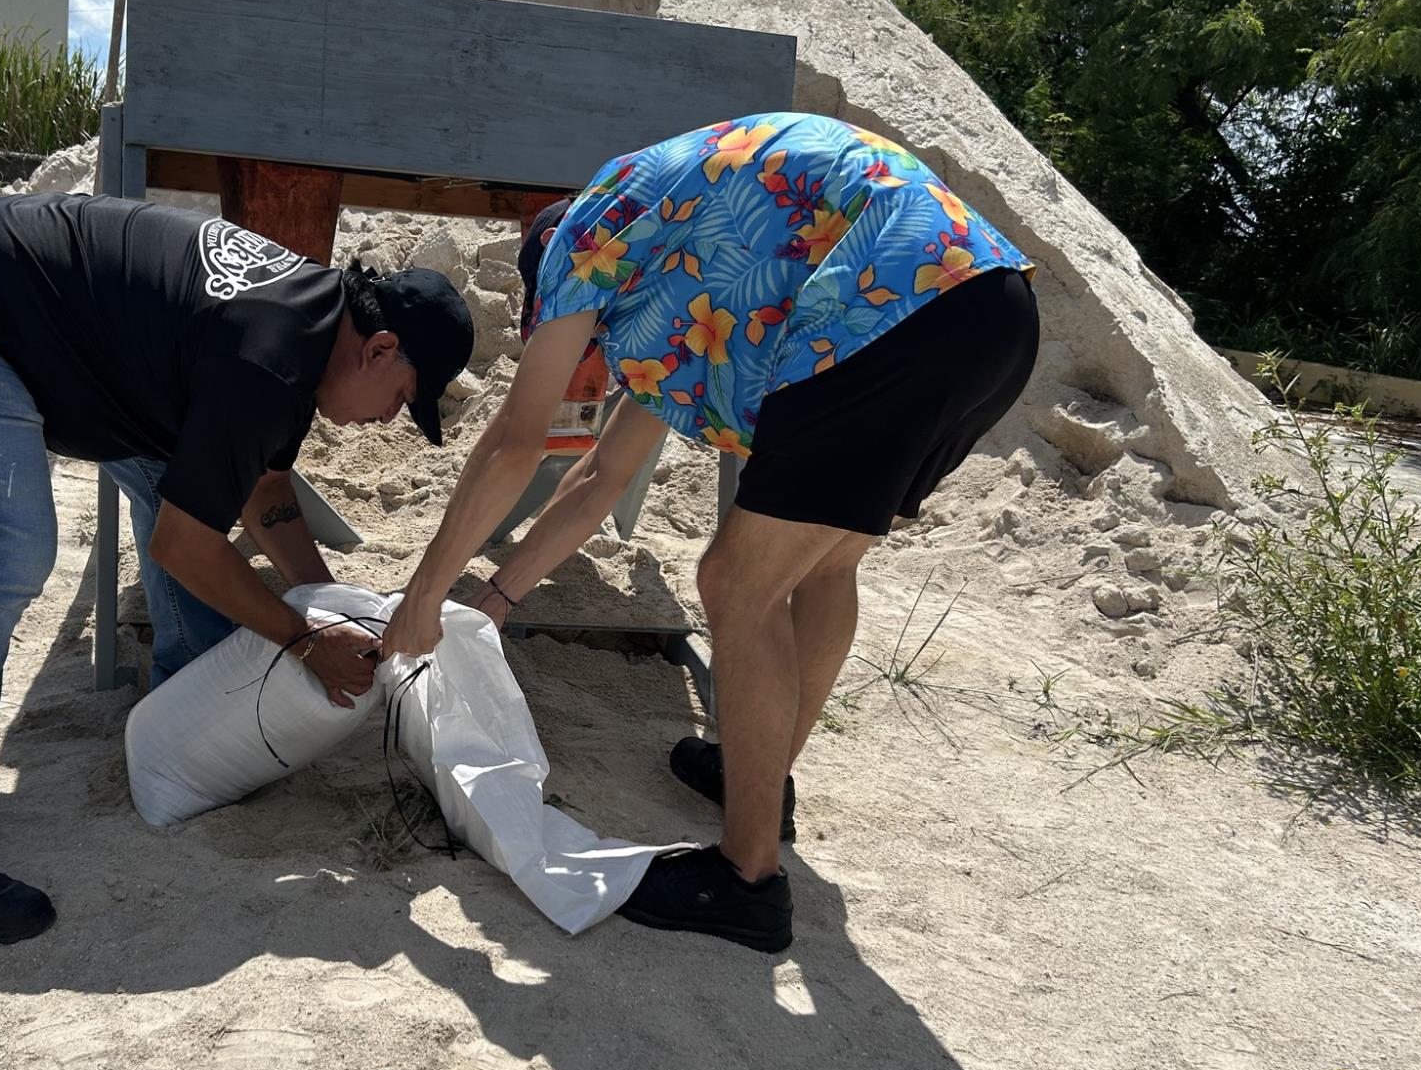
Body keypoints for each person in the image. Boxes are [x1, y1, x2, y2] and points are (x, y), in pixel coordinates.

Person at [379, 112, 1039, 952]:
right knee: (826, 566)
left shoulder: (586, 238)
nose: (581, 352)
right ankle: (755, 776)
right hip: (988, 311)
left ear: (555, 282)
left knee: (736, 582)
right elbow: (599, 478)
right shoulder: (676, 260)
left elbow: (519, 439)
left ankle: (745, 877)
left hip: (893, 311)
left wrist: (424, 595)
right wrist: (499, 596)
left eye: (566, 331)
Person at [0, 193, 474, 944]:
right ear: (378, 350)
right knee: (4, 556)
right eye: (402, 401)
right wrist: (304, 640)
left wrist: (326, 604)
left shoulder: (308, 329)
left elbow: (263, 491)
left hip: (67, 341)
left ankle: (192, 733)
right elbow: (183, 547)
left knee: (172, 488)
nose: (386, 422)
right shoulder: (269, 361)